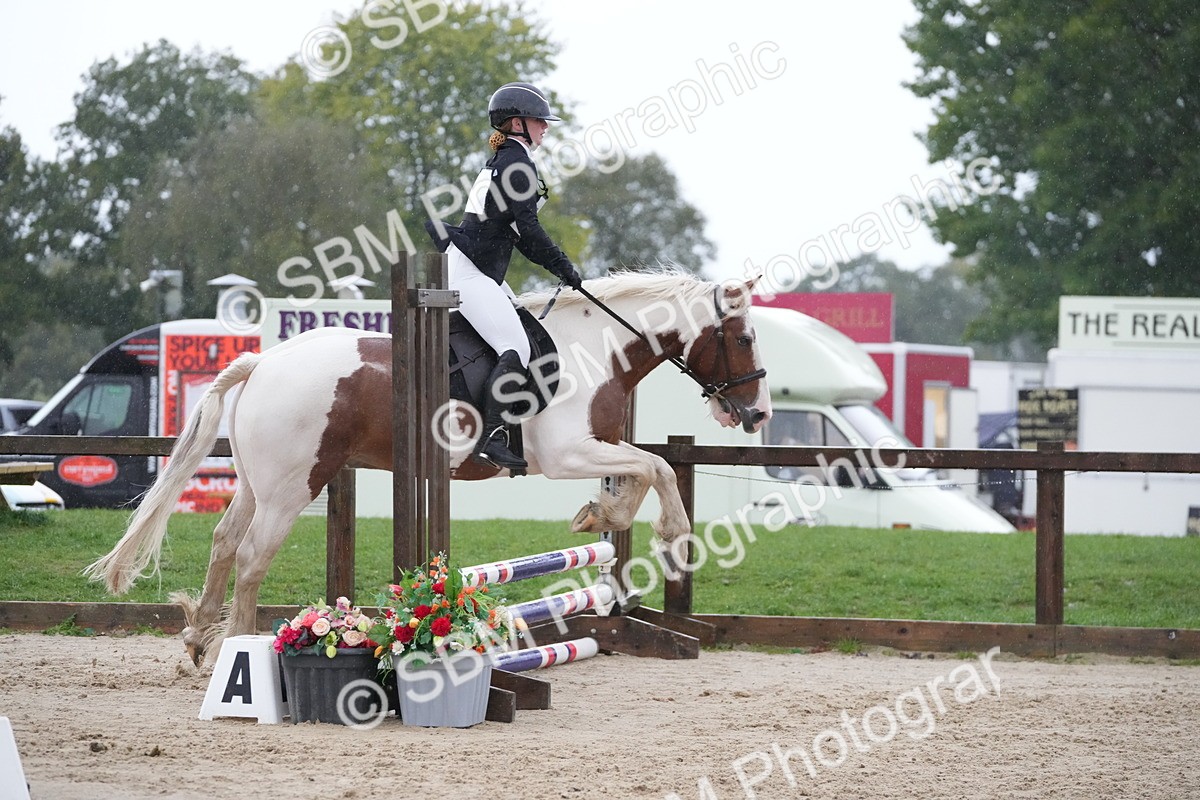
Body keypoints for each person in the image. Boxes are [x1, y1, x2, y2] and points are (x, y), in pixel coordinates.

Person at [425, 81, 583, 471]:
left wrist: (561, 267)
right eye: (538, 121)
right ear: (517, 123)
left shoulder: (508, 159)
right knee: (517, 346)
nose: (545, 128)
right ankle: (493, 436)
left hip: (480, 269)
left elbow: (519, 236)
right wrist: (563, 264)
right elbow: (529, 229)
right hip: (470, 272)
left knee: (522, 335)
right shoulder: (516, 163)